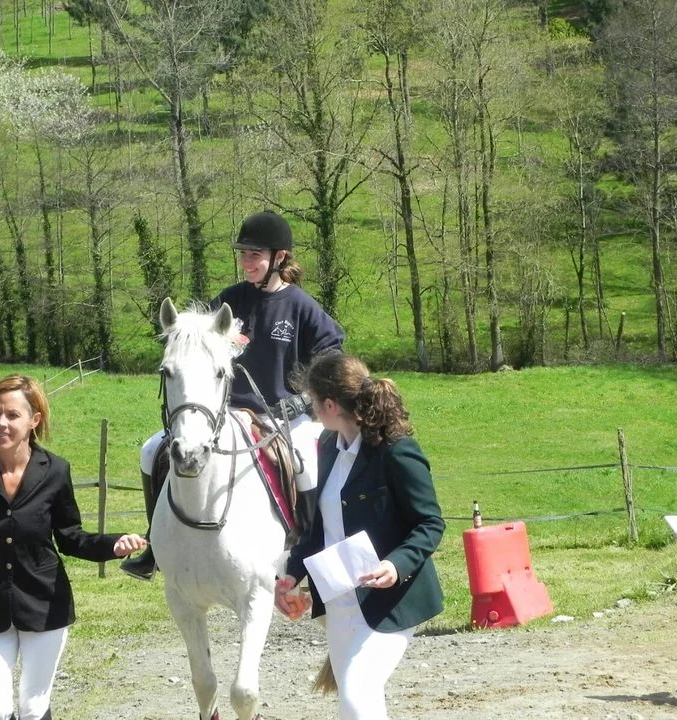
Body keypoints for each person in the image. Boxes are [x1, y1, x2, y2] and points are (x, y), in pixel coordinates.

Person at [121, 209, 345, 580]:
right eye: (243, 254)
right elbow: (194, 342)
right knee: (151, 451)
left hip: (281, 417)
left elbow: (331, 359)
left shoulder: (301, 307)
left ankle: (305, 550)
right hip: (227, 415)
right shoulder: (230, 300)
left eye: (255, 255)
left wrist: (303, 400)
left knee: (306, 462)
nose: (247, 262)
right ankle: (155, 546)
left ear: (279, 257)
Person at [0, 374, 146, 720]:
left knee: (33, 709)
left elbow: (70, 537)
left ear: (34, 420)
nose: (1, 423)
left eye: (12, 415)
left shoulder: (56, 470)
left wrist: (114, 545)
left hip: (45, 603)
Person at [274, 351, 445, 720]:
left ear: (330, 405)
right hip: (340, 601)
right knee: (357, 704)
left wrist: (396, 565)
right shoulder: (326, 446)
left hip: (390, 600)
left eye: (313, 401)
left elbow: (430, 523)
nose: (311, 409)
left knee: (356, 695)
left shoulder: (396, 451)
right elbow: (318, 528)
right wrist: (290, 575)